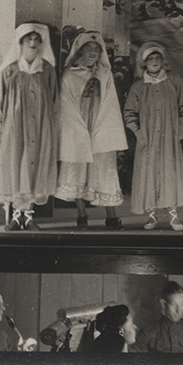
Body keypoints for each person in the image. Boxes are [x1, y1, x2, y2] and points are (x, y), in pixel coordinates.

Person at [55, 31, 128, 230]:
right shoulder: (70, 75)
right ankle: (82, 215)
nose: (93, 52)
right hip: (78, 125)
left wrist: (103, 127)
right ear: (80, 50)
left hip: (100, 124)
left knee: (104, 168)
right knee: (78, 168)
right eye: (89, 48)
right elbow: (65, 105)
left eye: (97, 49)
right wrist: (78, 129)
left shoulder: (105, 73)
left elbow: (110, 103)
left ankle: (111, 216)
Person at [0, 22, 59, 231]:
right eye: (28, 39)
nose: (32, 43)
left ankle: (28, 216)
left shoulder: (47, 70)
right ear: (20, 43)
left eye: (36, 40)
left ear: (41, 44)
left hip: (40, 126)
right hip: (15, 125)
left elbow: (55, 100)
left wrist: (52, 128)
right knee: (15, 165)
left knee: (34, 166)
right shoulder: (9, 70)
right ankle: (15, 215)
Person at [124, 42, 183, 231]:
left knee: (170, 173)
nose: (154, 61)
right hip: (148, 138)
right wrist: (138, 133)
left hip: (170, 137)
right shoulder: (138, 86)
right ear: (144, 62)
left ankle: (173, 215)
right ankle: (151, 215)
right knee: (148, 173)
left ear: (163, 60)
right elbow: (129, 113)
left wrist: (180, 130)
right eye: (150, 58)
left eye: (157, 57)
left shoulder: (174, 81)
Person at [132, 281, 183, 354]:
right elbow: (138, 363)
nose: (179, 311)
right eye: (174, 306)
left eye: (182, 305)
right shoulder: (148, 333)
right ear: (163, 304)